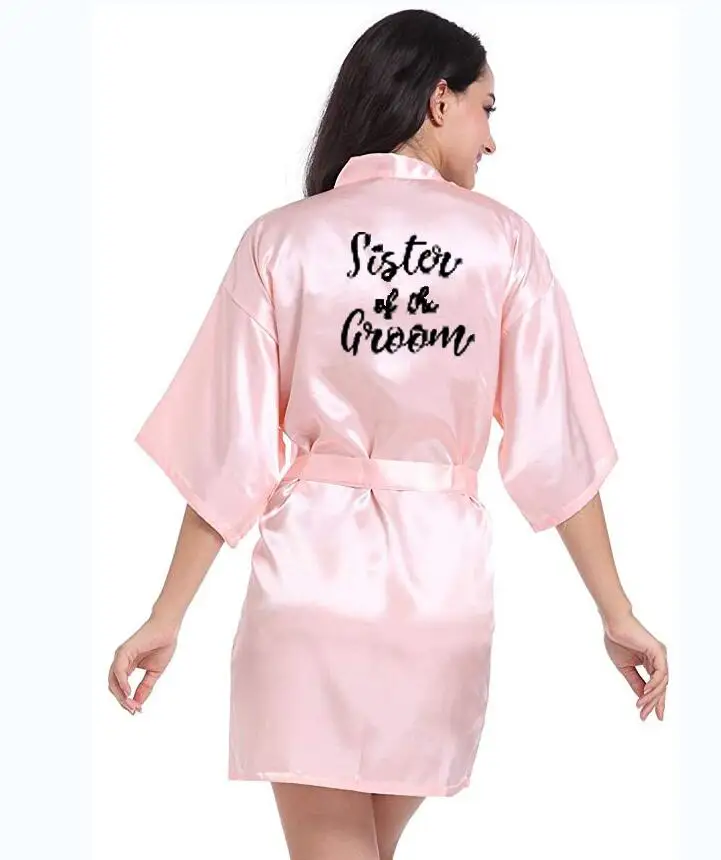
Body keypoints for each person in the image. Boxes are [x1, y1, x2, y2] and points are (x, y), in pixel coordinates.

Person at [107, 8, 668, 859]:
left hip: (310, 588)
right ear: (439, 101)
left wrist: (166, 613)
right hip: (438, 597)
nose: (491, 138)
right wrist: (615, 611)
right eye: (486, 107)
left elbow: (228, 455)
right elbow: (555, 450)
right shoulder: (503, 243)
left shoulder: (280, 241)